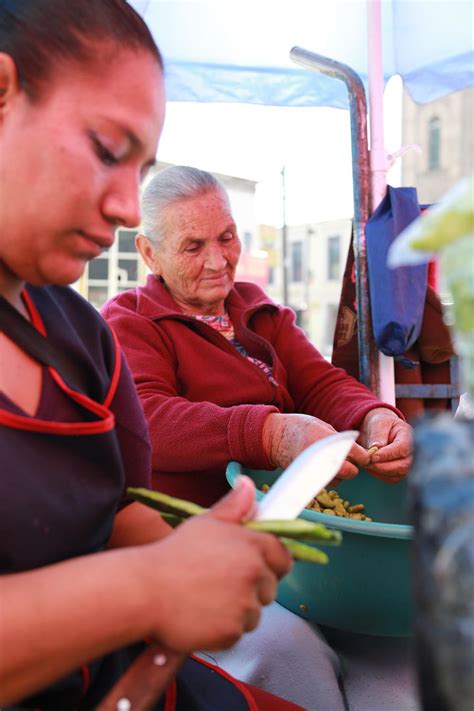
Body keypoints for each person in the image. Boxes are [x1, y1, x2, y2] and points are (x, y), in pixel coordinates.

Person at [0, 3, 307, 710]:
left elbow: (118, 512)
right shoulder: (131, 325)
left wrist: (198, 552)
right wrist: (151, 589)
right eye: (109, 149)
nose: (128, 207)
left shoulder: (80, 340)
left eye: (140, 165)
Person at [101, 166, 417, 710]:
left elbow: (321, 383)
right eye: (193, 245)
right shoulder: (129, 321)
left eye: (226, 237)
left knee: (396, 669)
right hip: (197, 544)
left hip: (302, 542)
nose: (219, 260)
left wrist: (372, 417)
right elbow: (148, 417)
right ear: (149, 253)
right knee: (290, 654)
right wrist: (269, 432)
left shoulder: (257, 309)